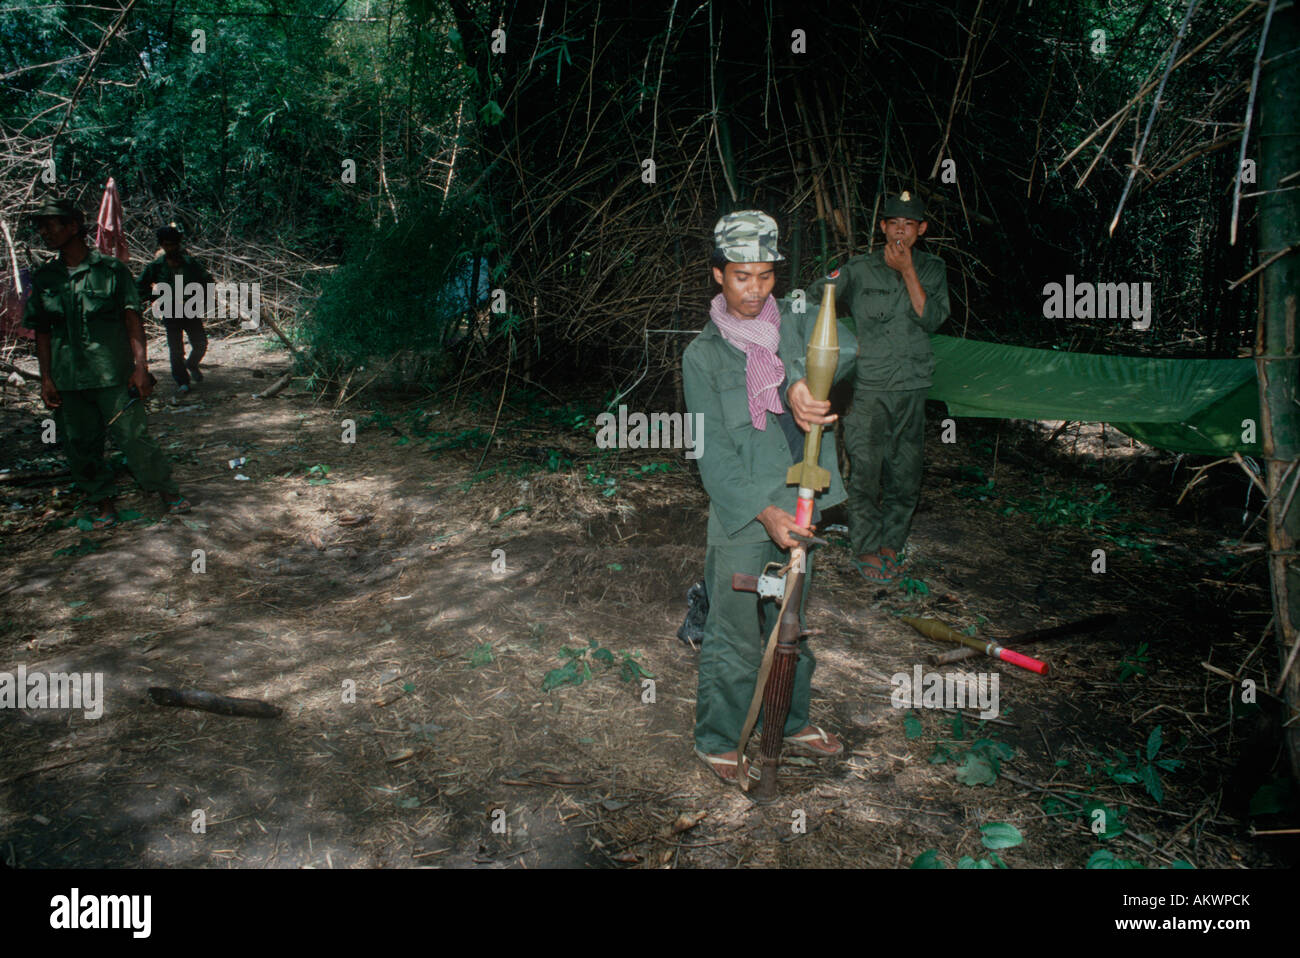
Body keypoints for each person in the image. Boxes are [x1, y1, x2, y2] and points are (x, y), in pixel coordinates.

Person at [682, 210, 858, 784]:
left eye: (764, 276)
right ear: (717, 275)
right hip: (744, 516)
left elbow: (849, 351)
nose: (754, 290)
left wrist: (800, 378)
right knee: (736, 631)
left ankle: (790, 719)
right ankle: (719, 737)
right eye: (740, 277)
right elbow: (712, 455)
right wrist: (765, 512)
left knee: (793, 620)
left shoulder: (799, 323)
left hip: (802, 500)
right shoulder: (701, 357)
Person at [808, 191, 950, 582]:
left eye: (909, 225)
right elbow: (815, 297)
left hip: (912, 386)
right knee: (866, 472)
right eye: (893, 224)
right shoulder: (858, 269)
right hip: (867, 389)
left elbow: (932, 319)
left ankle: (893, 543)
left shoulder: (932, 268)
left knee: (905, 472)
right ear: (883, 227)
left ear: (921, 229)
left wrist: (907, 271)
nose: (900, 231)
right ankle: (867, 547)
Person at [23, 197, 189, 522]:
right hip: (68, 379)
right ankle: (103, 502)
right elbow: (42, 332)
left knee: (133, 437)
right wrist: (46, 378)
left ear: (73, 227)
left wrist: (141, 368)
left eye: (51, 224)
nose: (44, 231)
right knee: (79, 444)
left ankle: (166, 491)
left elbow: (133, 321)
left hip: (113, 374)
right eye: (41, 226)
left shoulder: (112, 270)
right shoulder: (45, 279)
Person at [136, 222, 213, 398]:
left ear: (178, 244)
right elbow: (139, 286)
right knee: (176, 349)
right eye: (166, 244)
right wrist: (155, 296)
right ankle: (182, 382)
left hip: (190, 309)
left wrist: (200, 298)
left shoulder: (190, 263)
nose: (169, 247)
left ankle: (192, 364)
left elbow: (208, 281)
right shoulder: (156, 266)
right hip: (170, 311)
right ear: (161, 245)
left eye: (173, 244)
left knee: (200, 343)